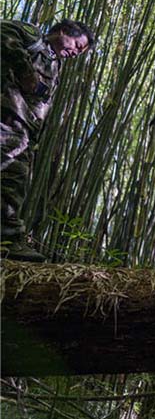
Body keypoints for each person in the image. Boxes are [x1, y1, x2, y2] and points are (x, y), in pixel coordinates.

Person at [1, 18, 95, 261]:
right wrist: (26, 72)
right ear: (62, 31)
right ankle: (8, 239)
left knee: (15, 179)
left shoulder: (55, 65)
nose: (75, 52)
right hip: (6, 118)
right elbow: (3, 32)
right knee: (12, 177)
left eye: (80, 51)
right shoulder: (32, 35)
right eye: (76, 44)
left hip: (22, 131)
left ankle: (8, 239)